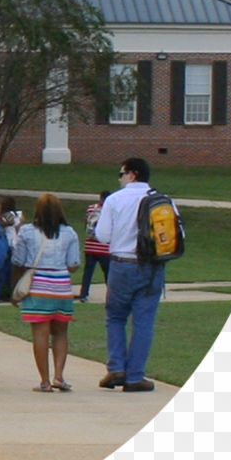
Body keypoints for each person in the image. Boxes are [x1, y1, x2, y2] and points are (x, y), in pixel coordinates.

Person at [94, 158, 169, 393]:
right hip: (151, 265)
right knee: (143, 321)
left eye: (121, 174)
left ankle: (116, 367)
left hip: (121, 263)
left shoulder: (115, 200)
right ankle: (135, 375)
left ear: (132, 174)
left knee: (115, 316)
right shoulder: (162, 200)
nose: (120, 178)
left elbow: (103, 236)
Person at [12, 193, 80, 392]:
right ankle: (59, 376)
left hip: (38, 286)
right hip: (61, 286)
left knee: (40, 335)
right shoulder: (69, 233)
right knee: (61, 333)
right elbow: (73, 264)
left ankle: (44, 381)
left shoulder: (26, 231)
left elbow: (18, 260)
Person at [77, 190, 111, 302]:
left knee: (88, 272)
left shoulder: (91, 209)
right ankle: (111, 295)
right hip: (104, 247)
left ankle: (83, 294)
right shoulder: (111, 211)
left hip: (90, 246)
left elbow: (86, 225)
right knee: (108, 273)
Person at [0, 195, 25, 302]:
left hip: (6, 244)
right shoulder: (15, 216)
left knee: (8, 271)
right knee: (5, 271)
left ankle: (10, 293)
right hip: (12, 245)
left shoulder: (4, 216)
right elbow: (19, 228)